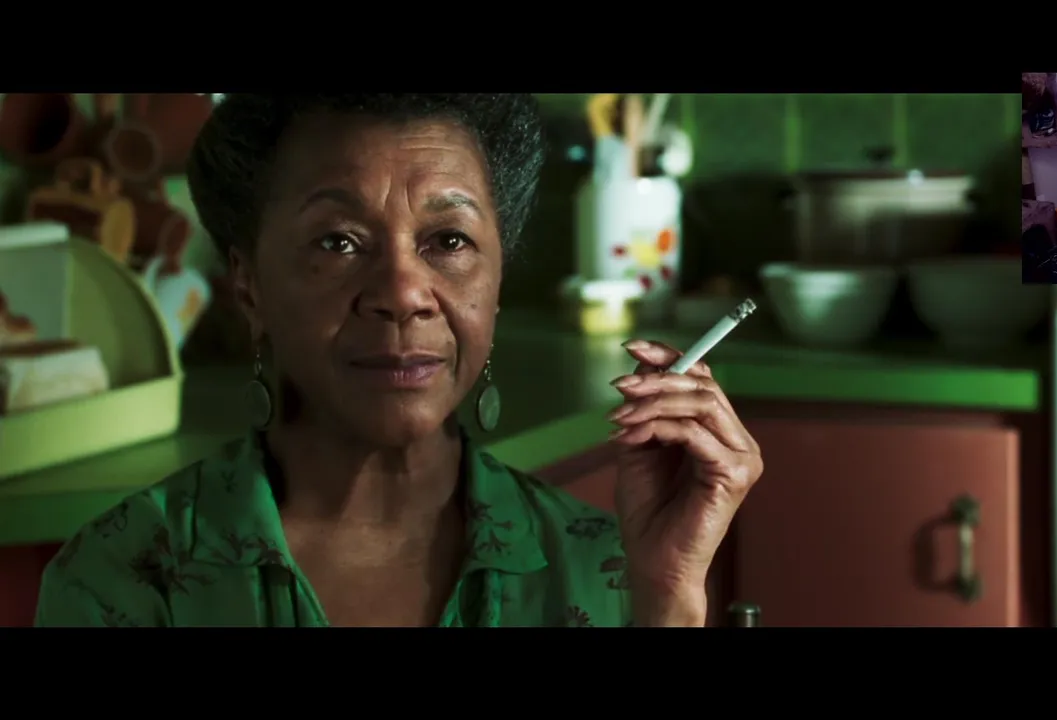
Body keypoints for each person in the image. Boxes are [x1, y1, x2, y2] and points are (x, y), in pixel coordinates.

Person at [33, 94, 764, 627]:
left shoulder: (607, 574)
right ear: (249, 286)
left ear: (496, 284)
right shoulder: (127, 579)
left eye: (449, 241)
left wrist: (668, 599)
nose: (403, 294)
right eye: (338, 242)